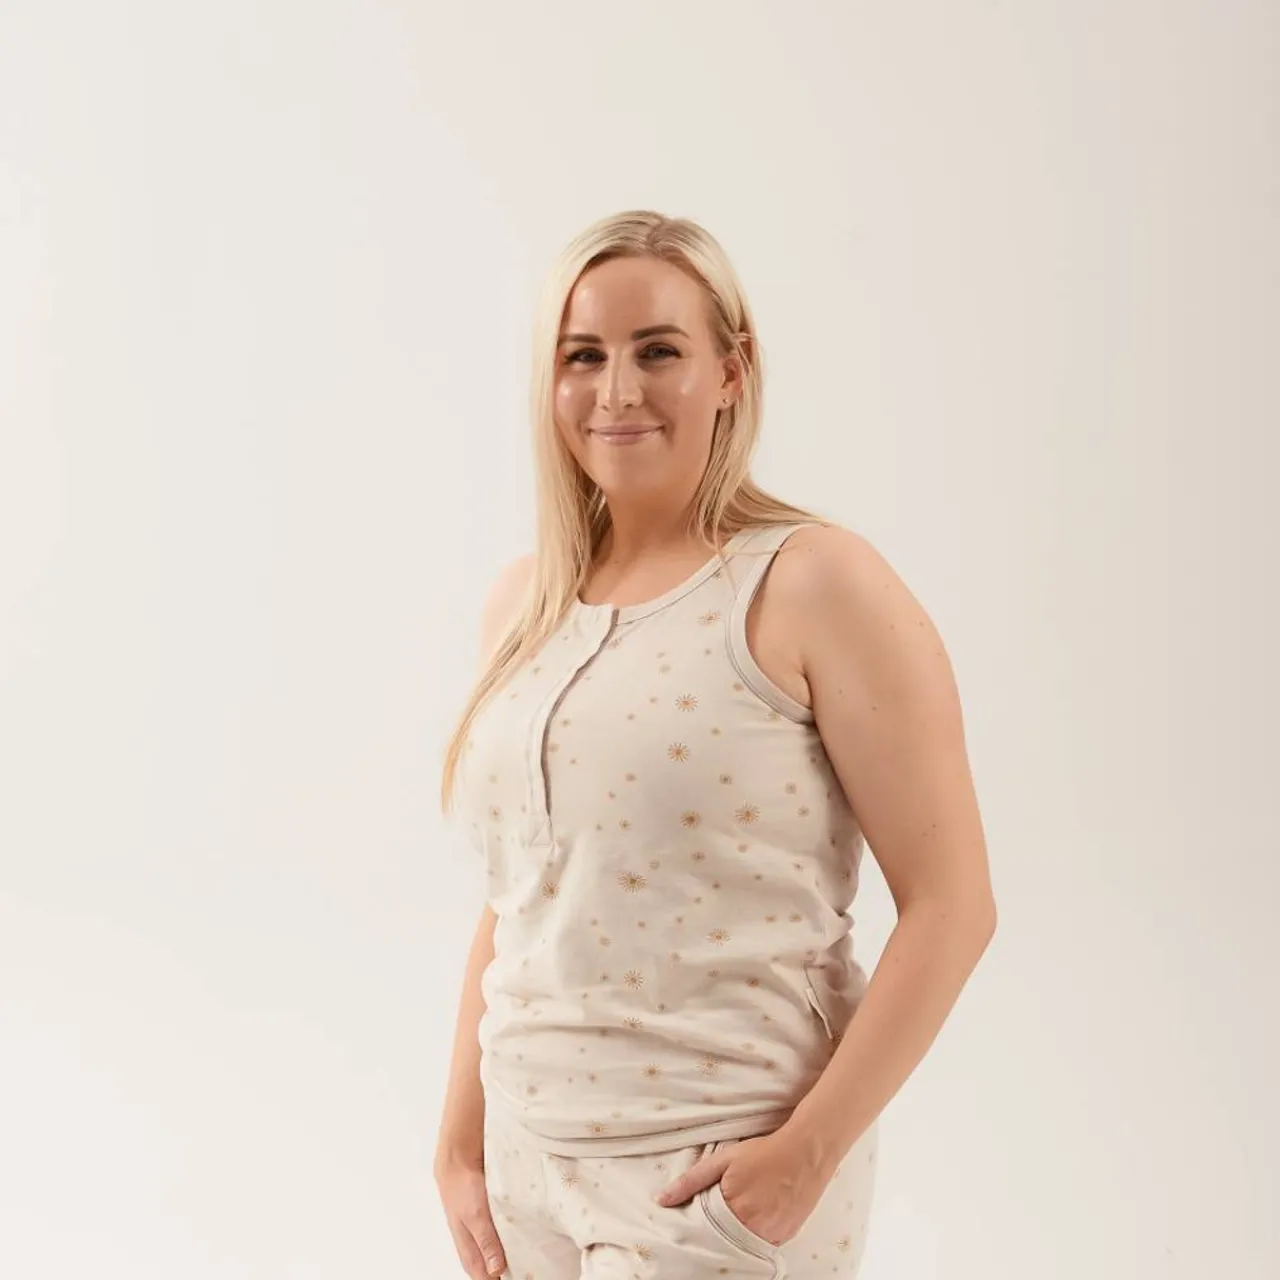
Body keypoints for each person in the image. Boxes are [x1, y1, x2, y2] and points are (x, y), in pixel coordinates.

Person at [432, 209, 997, 1279]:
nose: (616, 391)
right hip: (522, 1170)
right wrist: (458, 1143)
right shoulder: (523, 604)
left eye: (658, 351)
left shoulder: (811, 583)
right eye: (582, 356)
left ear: (731, 370)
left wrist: (805, 1156)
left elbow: (953, 902)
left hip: (712, 1171)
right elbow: (519, 898)